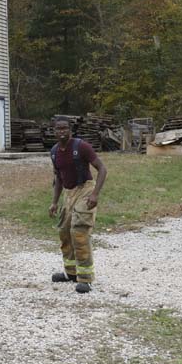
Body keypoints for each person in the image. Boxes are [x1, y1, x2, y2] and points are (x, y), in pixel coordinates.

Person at [48, 117, 108, 294]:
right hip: (68, 193)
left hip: (85, 190)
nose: (62, 131)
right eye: (58, 129)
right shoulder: (54, 152)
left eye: (65, 128)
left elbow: (102, 169)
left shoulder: (81, 146)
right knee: (65, 233)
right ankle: (71, 273)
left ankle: (85, 278)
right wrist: (54, 202)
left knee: (79, 232)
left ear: (70, 130)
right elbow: (58, 179)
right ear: (54, 131)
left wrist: (95, 194)